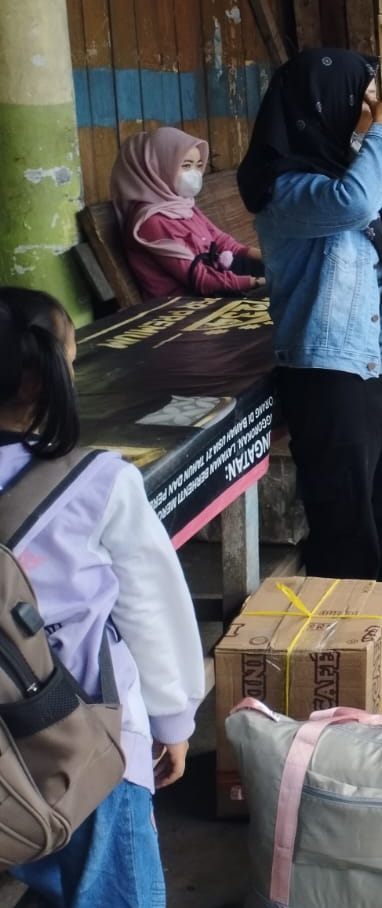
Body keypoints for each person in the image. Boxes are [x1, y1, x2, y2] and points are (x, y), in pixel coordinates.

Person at [237, 49, 382, 670]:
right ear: (320, 108)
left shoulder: (359, 170)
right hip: (333, 371)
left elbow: (376, 246)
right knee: (344, 516)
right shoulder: (286, 188)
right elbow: (352, 204)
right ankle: (350, 654)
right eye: (359, 99)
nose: (370, 108)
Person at [0, 287, 206, 905]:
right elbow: (152, 610)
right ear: (40, 382)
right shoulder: (99, 482)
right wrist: (173, 720)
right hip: (89, 741)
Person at [111, 126, 265, 298]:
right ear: (158, 168)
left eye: (198, 166)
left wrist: (268, 258)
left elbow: (223, 241)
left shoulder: (183, 205)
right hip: (183, 304)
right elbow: (201, 280)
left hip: (214, 288)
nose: (195, 174)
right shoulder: (151, 221)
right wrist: (258, 282)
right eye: (186, 166)